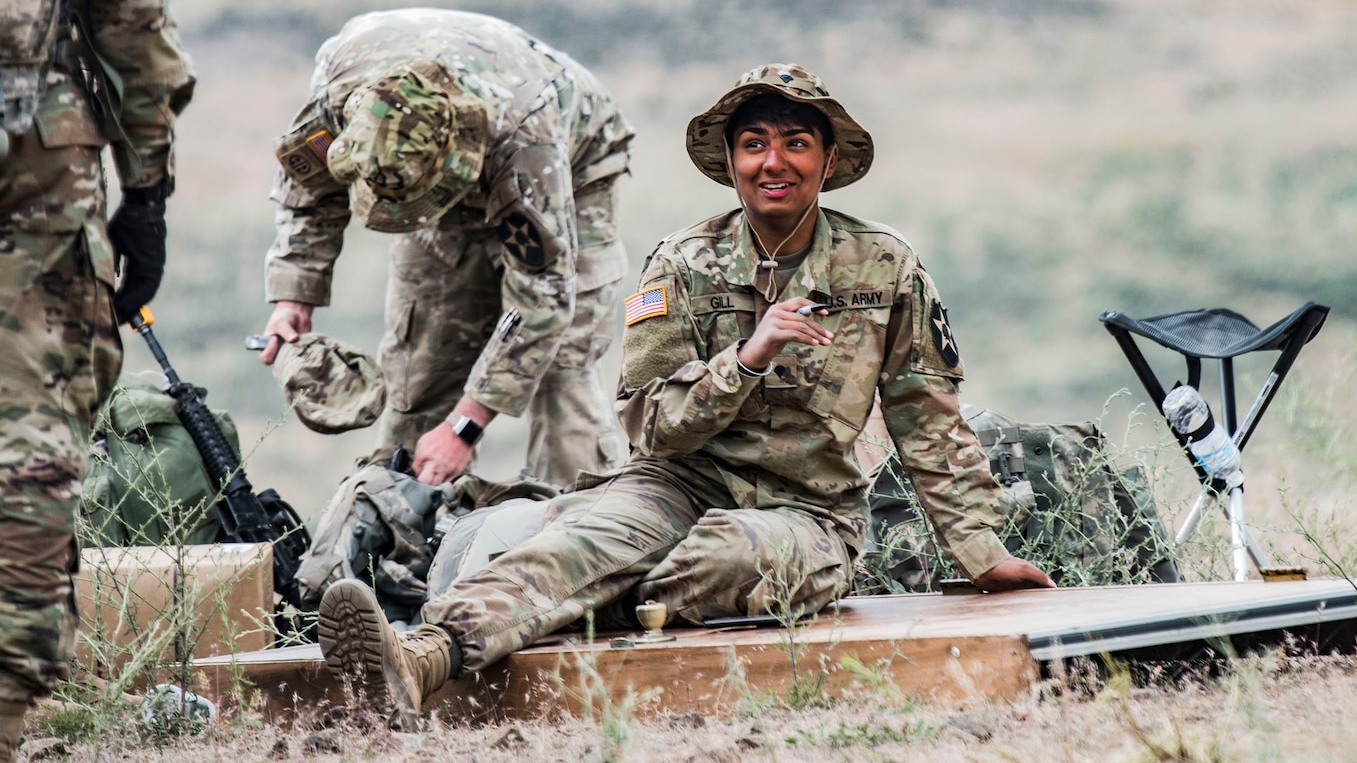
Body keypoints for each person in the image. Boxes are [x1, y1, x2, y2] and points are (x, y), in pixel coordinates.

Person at [317, 63, 1053, 726]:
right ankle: (419, 660)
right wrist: (750, 355)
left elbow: (927, 418)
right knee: (582, 545)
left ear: (828, 161)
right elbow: (653, 428)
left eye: (796, 143)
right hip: (677, 482)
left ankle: (595, 598)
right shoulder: (683, 262)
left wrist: (981, 551)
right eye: (755, 143)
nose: (774, 161)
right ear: (731, 163)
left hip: (805, 512)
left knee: (724, 560)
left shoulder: (884, 266)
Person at [0, 0, 191, 756]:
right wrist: (148, 188)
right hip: (32, 140)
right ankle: (7, 708)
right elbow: (129, 3)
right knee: (27, 434)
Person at [258, 9, 633, 489]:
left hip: (575, 173)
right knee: (420, 372)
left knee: (562, 375)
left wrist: (465, 425)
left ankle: (581, 539)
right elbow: (308, 183)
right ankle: (399, 541)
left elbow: (544, 297)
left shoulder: (524, 137)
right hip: (451, 163)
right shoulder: (341, 84)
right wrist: (294, 295)